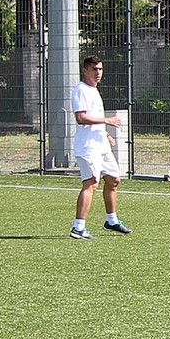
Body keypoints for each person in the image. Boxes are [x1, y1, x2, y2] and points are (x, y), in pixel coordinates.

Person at [70, 54, 132, 239]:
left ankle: (111, 221)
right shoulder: (81, 89)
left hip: (101, 145)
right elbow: (81, 118)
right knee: (91, 183)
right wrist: (107, 120)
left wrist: (105, 134)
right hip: (88, 147)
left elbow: (93, 118)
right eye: (94, 69)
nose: (98, 73)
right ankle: (78, 227)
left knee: (113, 180)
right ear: (85, 70)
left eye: (100, 69)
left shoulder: (94, 90)